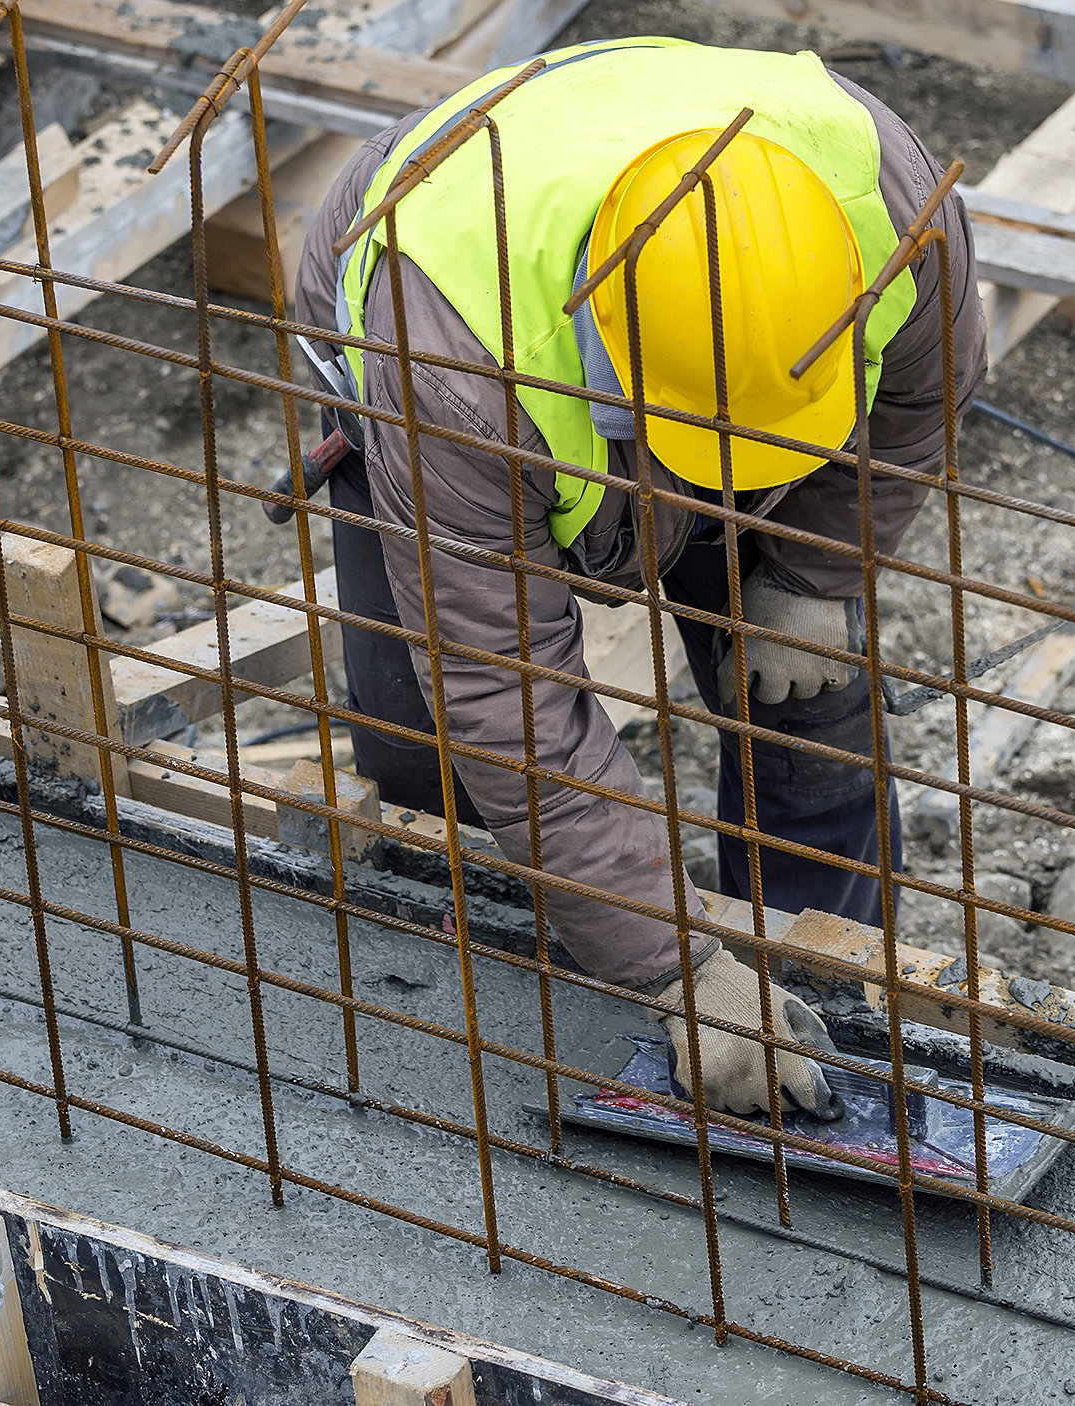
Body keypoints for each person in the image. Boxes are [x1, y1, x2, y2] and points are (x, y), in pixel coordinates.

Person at [293, 36, 987, 1117]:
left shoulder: (890, 207)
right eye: (711, 463)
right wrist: (674, 964)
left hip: (679, 312)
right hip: (440, 311)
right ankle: (498, 953)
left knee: (812, 696)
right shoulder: (455, 365)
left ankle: (818, 982)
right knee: (431, 730)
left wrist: (809, 565)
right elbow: (504, 689)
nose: (732, 495)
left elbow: (916, 398)